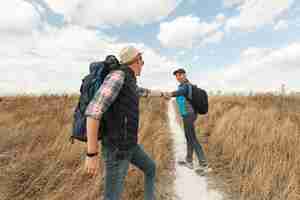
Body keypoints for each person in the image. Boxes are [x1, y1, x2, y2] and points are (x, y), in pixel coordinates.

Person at [84, 46, 163, 200]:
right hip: (117, 150)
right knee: (112, 196)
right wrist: (91, 154)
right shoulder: (118, 76)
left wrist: (163, 94)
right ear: (137, 60)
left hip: (130, 145)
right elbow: (93, 113)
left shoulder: (130, 81)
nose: (143, 65)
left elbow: (143, 92)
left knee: (151, 168)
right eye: (142, 61)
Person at [164, 68, 209, 171]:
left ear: (184, 75)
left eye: (180, 75)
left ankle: (203, 163)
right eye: (176, 75)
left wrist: (169, 94)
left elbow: (180, 92)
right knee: (189, 137)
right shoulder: (182, 86)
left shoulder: (186, 86)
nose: (178, 77)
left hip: (189, 115)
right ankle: (189, 160)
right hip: (187, 115)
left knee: (192, 138)